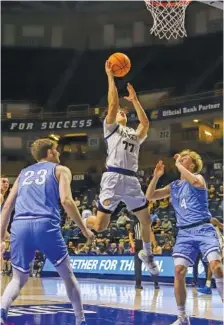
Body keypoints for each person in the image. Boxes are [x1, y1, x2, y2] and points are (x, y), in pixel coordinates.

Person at [0, 138, 94, 325]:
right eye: (56, 150)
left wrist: (1, 237)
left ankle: (2, 311)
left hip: (20, 226)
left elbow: (7, 206)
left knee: (18, 278)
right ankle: (80, 319)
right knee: (67, 275)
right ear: (50, 152)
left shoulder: (23, 173)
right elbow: (66, 201)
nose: (59, 153)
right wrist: (84, 229)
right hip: (45, 224)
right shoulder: (60, 170)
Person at [82, 60, 158, 276]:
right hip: (113, 178)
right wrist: (110, 77)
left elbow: (145, 125)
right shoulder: (111, 128)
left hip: (132, 180)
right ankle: (86, 216)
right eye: (119, 112)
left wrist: (135, 101)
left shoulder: (134, 134)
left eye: (125, 113)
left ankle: (147, 254)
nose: (122, 113)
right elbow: (113, 105)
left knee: (145, 219)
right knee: (100, 226)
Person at [146, 150, 223, 325]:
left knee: (217, 267)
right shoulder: (174, 186)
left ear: (192, 164)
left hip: (203, 228)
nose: (181, 158)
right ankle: (182, 317)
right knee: (179, 272)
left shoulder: (199, 178)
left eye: (185, 157)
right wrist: (156, 176)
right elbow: (150, 196)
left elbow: (194, 181)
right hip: (184, 233)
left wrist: (178, 164)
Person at [129, 217, 160, 290]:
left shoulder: (147, 222)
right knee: (137, 267)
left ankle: (156, 283)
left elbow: (151, 233)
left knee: (151, 264)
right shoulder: (134, 222)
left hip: (146, 244)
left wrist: (154, 245)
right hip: (138, 244)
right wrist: (132, 243)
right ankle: (138, 284)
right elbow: (130, 234)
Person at [197, 217, 223, 295]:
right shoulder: (203, 227)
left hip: (220, 245)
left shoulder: (214, 222)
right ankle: (208, 286)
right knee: (210, 265)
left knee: (213, 265)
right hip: (215, 246)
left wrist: (218, 224)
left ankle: (208, 287)